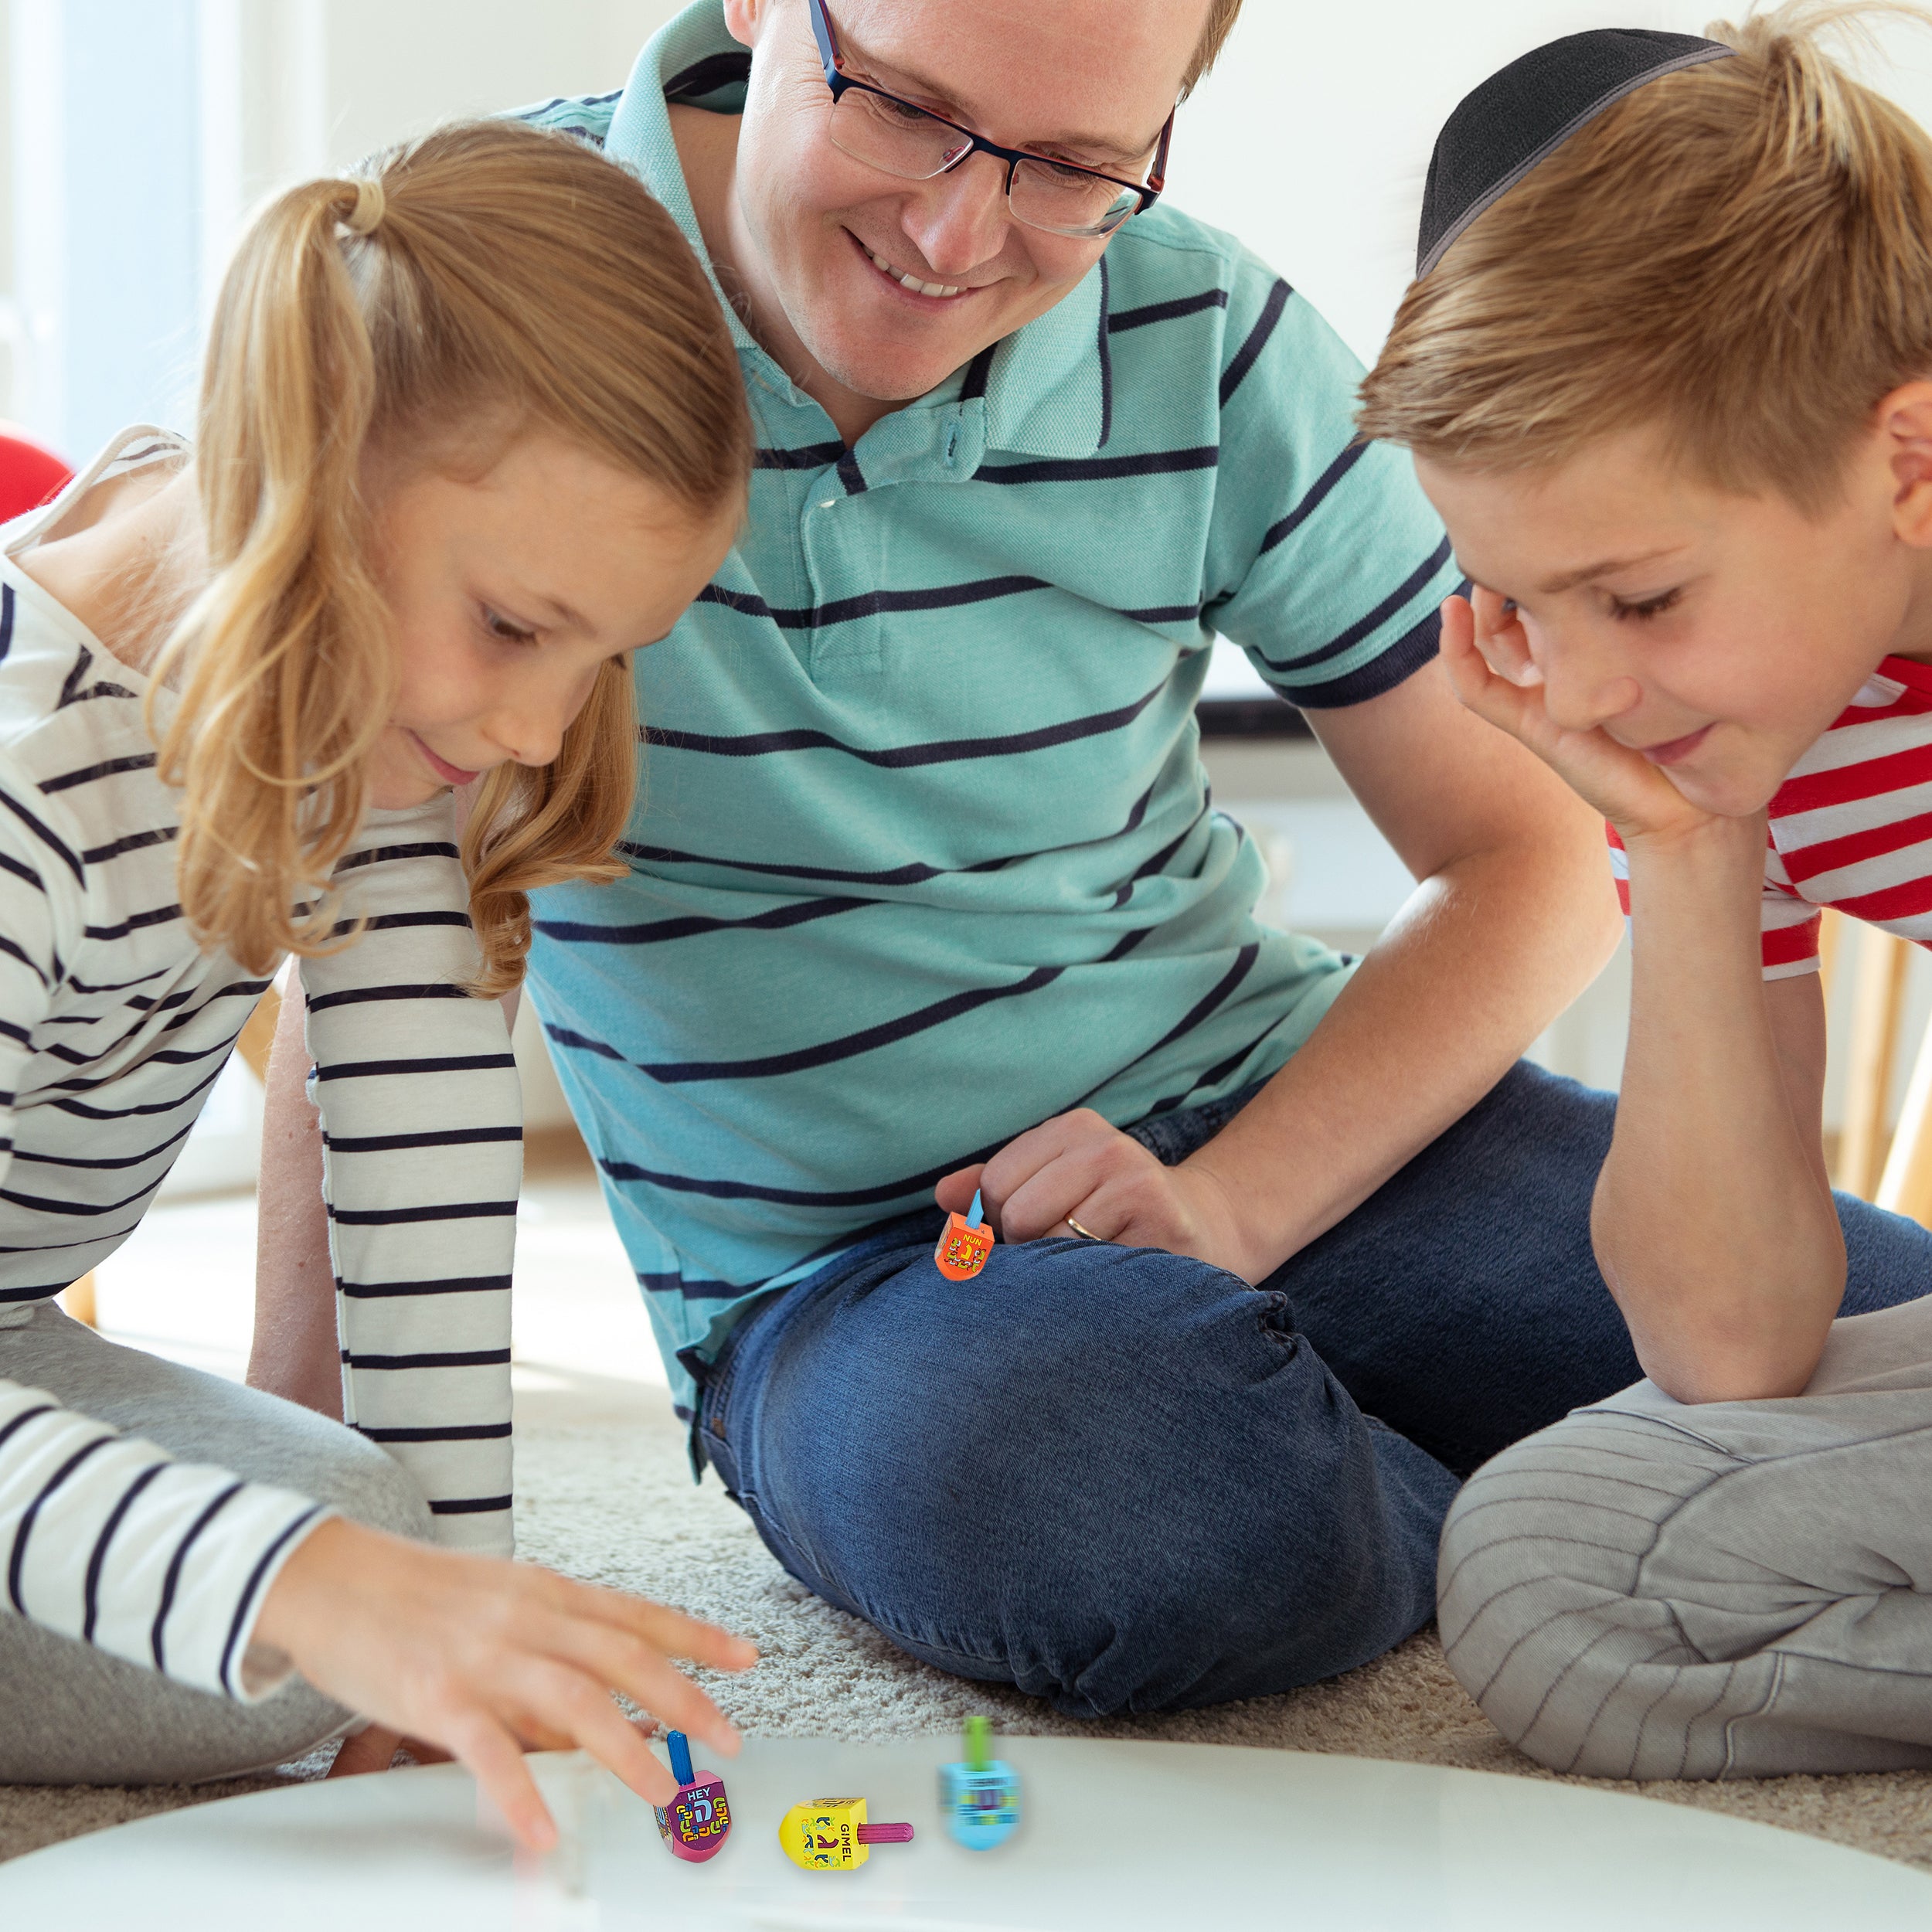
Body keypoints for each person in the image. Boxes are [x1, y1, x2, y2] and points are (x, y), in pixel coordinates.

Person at [248, 0, 1932, 1719]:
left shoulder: (1198, 325)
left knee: (1872, 1348)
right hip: (867, 1285)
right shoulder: (488, 292)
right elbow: (378, 943)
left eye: (1071, 167)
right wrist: (332, 1525)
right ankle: (1513, 1505)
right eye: (899, 107)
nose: (953, 231)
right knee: (1128, 1506)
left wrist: (1230, 1201)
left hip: (1296, 1131)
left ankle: (1469, 1487)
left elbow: (1530, 844)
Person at [0, 120, 757, 1847]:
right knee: (304, 1586)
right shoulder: (26, 786)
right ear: (311, 473)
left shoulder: (344, 707)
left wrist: (454, 1628)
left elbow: (417, 1190)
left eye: (598, 658)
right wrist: (313, 1588)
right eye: (511, 627)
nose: (536, 732)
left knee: (360, 1530)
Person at [1358, 3, 1932, 1778]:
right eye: (1518, 608)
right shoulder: (1727, 723)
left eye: (1640, 597)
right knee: (1543, 1569)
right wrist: (1690, 856)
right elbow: (1726, 1343)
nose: (1586, 693)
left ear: (1903, 460)